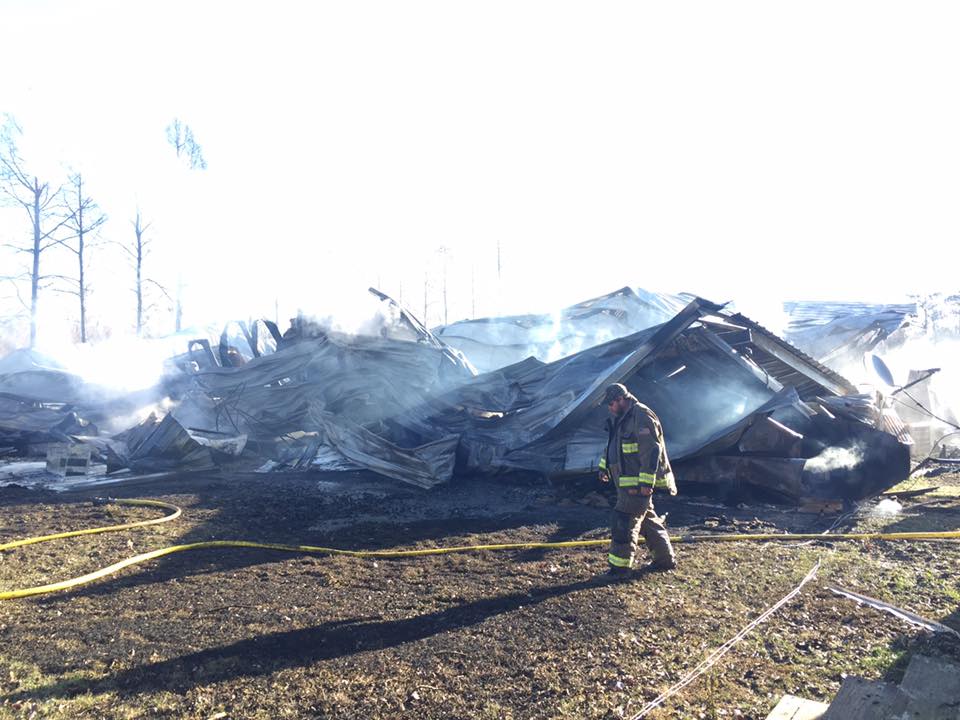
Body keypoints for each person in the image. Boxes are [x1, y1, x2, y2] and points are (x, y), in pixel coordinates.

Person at [598, 383, 677, 577]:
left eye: (611, 404)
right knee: (648, 520)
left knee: (623, 521)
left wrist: (645, 484)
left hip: (636, 485)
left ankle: (619, 569)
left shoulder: (641, 416)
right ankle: (664, 560)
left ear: (620, 399)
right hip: (626, 484)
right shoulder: (622, 418)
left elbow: (651, 452)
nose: (609, 408)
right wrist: (603, 467)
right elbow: (614, 447)